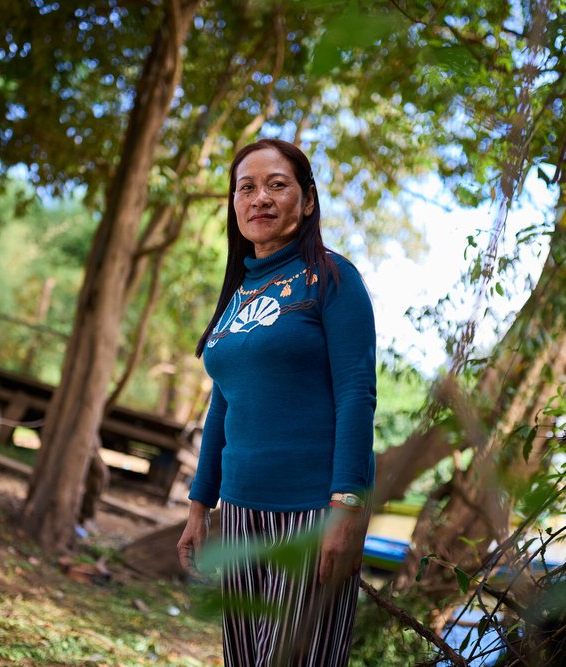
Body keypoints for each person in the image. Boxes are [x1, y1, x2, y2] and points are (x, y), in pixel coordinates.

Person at [176, 138, 377, 666]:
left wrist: (346, 507)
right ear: (235, 205)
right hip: (240, 515)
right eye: (246, 188)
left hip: (310, 513)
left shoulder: (333, 279)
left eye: (276, 185)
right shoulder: (239, 293)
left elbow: (357, 393)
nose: (259, 198)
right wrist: (200, 506)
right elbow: (223, 404)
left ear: (307, 201)